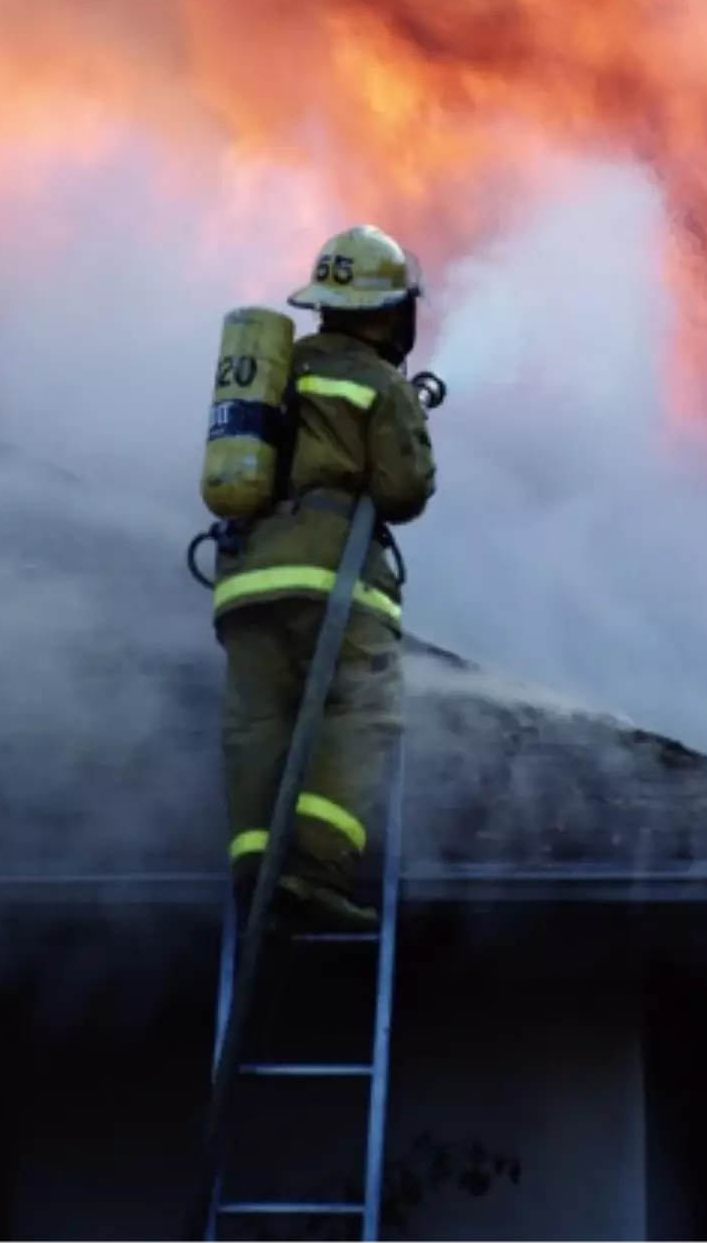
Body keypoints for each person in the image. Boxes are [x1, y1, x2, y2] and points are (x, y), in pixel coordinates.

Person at [213, 224, 437, 931]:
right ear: (388, 309)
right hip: (328, 574)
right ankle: (312, 868)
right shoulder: (378, 383)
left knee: (258, 722)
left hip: (247, 574)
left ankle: (255, 867)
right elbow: (404, 489)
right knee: (362, 709)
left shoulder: (279, 368)